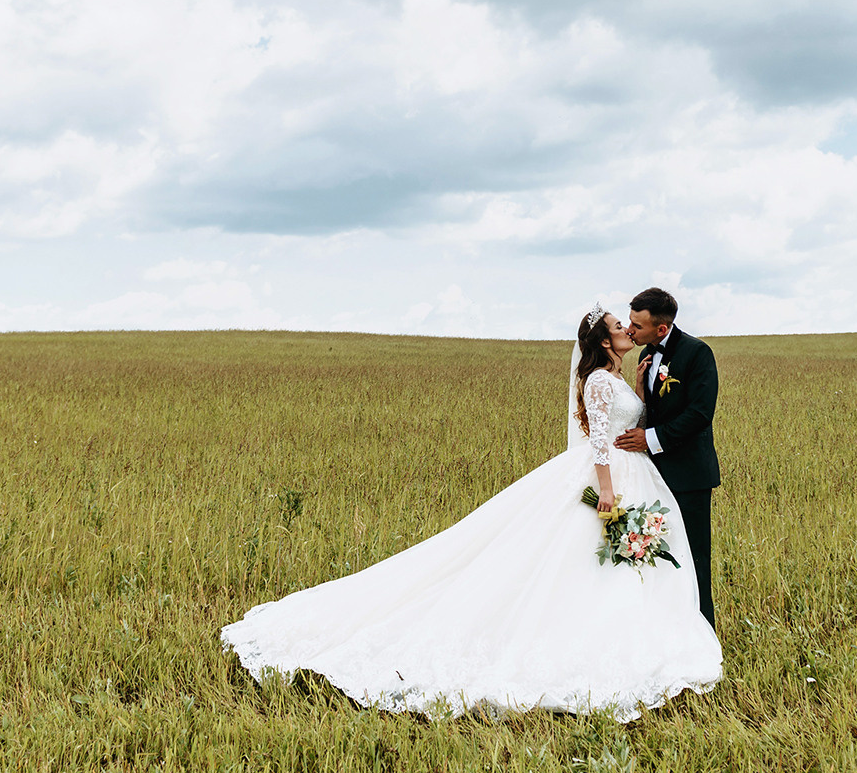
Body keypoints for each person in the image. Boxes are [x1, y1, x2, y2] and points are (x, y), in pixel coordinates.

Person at [220, 302, 722, 720]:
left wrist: (639, 388)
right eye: (619, 326)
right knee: (582, 560)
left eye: (631, 325)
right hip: (608, 479)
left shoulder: (621, 373)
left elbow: (637, 419)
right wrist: (607, 492)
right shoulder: (595, 380)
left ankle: (634, 633)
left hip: (637, 475)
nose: (628, 330)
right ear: (604, 340)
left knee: (621, 565)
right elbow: (598, 442)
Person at [612, 286, 720, 629]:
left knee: (694, 557)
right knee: (656, 556)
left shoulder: (697, 353)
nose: (630, 330)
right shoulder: (646, 357)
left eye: (637, 326)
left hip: (689, 476)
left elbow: (700, 414)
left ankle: (703, 633)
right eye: (629, 322)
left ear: (661, 328)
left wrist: (649, 438)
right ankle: (664, 629)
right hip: (650, 476)